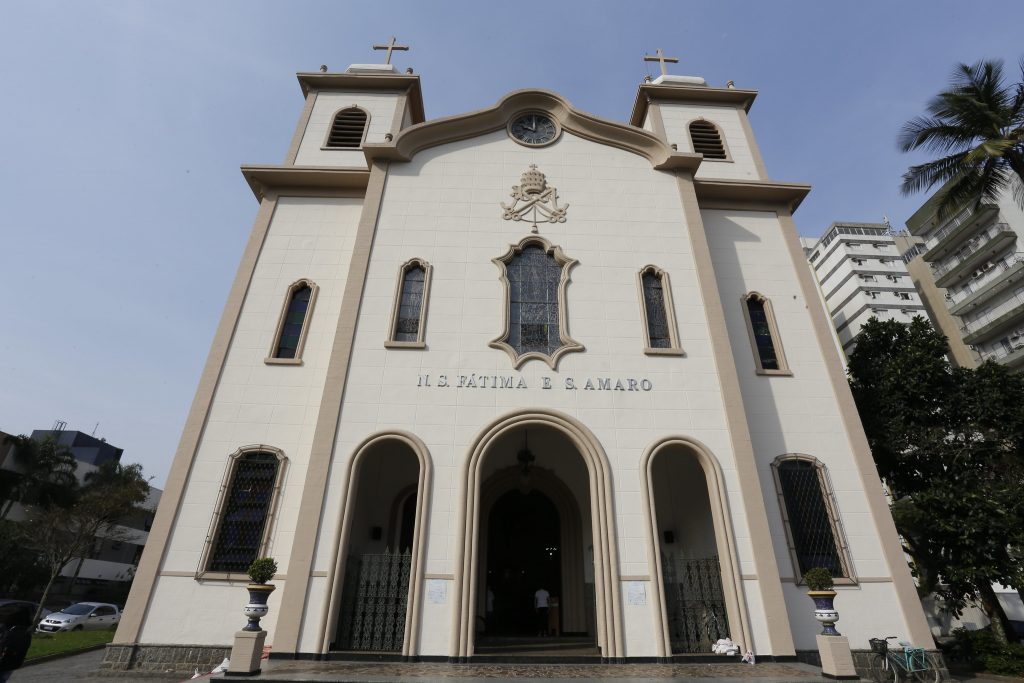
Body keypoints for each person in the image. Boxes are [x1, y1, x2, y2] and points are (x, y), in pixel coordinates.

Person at [0, 604, 33, 683]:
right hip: (14, 662)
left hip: (5, 662)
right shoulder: (26, 633)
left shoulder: (11, 631)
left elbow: (4, 645)